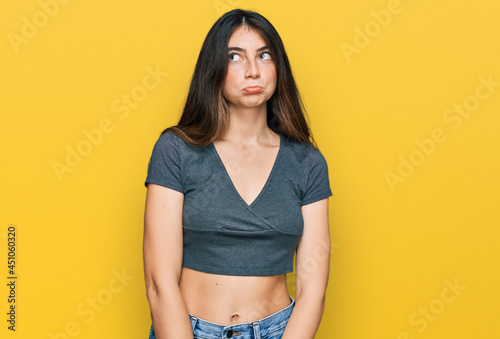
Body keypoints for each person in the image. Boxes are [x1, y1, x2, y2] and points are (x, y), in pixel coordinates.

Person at [143, 8, 333, 339]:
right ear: (214, 68)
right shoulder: (175, 151)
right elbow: (160, 282)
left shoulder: (307, 163)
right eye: (235, 57)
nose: (253, 71)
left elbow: (313, 292)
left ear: (278, 68)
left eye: (264, 56)